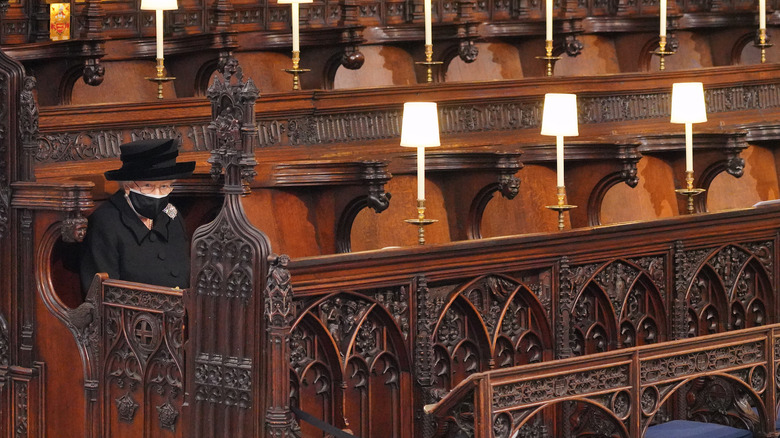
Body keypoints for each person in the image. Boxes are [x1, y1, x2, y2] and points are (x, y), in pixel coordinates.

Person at [80, 138, 195, 292]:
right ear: (127, 186)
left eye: (164, 186)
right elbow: (103, 293)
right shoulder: (106, 222)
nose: (158, 194)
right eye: (148, 186)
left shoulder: (171, 213)